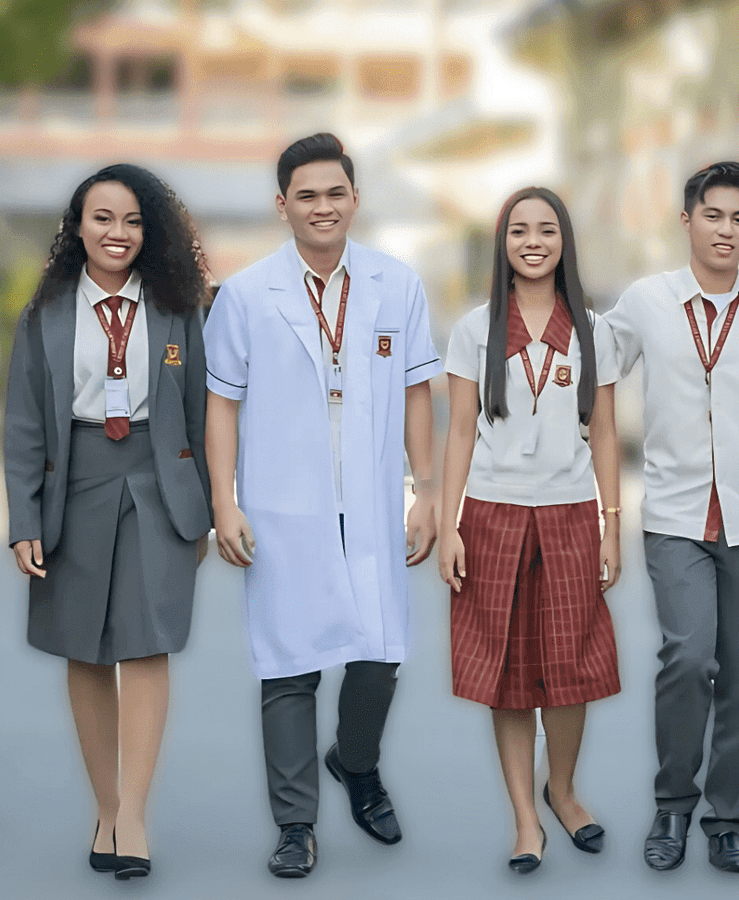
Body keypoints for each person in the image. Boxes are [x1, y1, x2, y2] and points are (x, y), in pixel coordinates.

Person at [203, 132, 442, 879]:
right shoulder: (246, 295)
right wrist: (224, 501)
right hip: (281, 505)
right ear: (283, 206)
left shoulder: (395, 286)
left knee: (380, 655)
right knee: (289, 666)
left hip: (371, 502)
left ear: (355, 199)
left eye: (335, 193)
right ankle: (295, 823)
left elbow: (415, 395)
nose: (323, 207)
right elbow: (220, 406)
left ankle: (357, 763)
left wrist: (427, 492)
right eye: (306, 195)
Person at [3, 164, 212, 881]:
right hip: (77, 477)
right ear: (78, 226)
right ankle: (104, 804)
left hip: (158, 477)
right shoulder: (47, 310)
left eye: (131, 221)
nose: (117, 234)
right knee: (85, 646)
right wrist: (23, 517)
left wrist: (207, 507)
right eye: (102, 219)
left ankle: (134, 816)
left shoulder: (179, 305)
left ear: (148, 231)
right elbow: (25, 422)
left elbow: (204, 411)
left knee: (147, 642)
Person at [604, 161, 739, 874]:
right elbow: (593, 361)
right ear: (686, 220)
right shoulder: (647, 301)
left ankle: (726, 821)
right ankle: (672, 805)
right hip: (678, 517)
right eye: (712, 215)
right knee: (688, 659)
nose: (725, 229)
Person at [437, 187, 621, 874]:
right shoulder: (474, 328)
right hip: (492, 515)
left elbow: (602, 430)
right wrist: (450, 524)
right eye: (519, 230)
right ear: (502, 243)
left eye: (547, 229)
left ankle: (563, 790)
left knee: (571, 670)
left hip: (571, 512)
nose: (533, 240)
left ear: (564, 241)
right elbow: (458, 431)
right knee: (509, 672)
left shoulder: (592, 329)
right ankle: (525, 819)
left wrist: (612, 525)